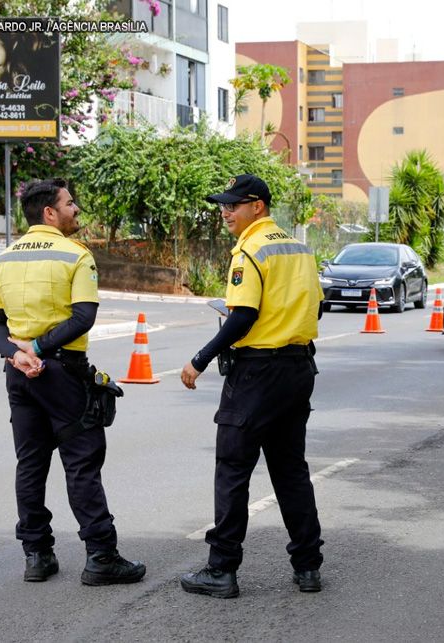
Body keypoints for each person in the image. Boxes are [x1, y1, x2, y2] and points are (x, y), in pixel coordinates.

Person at [0, 178, 146, 585]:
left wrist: (17, 354)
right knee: (82, 462)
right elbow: (83, 317)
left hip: (20, 375)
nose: (77, 210)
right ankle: (101, 556)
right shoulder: (76, 255)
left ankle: (36, 555)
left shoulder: (2, 261)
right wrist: (38, 348)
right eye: (70, 203)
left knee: (30, 464)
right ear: (49, 212)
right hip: (63, 374)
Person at [180, 174, 325, 598]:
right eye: (222, 206)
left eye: (233, 206)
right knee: (291, 470)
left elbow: (243, 316)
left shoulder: (250, 249)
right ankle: (308, 567)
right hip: (297, 369)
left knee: (232, 469)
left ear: (257, 206)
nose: (225, 213)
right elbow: (316, 305)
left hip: (257, 374)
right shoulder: (299, 248)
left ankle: (221, 569)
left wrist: (199, 359)